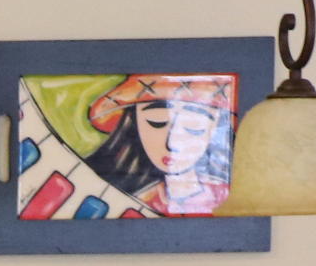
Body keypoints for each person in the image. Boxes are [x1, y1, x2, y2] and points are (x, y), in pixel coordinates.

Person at [83, 78, 233, 217]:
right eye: (156, 122)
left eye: (194, 128)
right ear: (134, 123)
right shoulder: (130, 204)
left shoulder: (230, 196)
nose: (172, 144)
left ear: (216, 128)